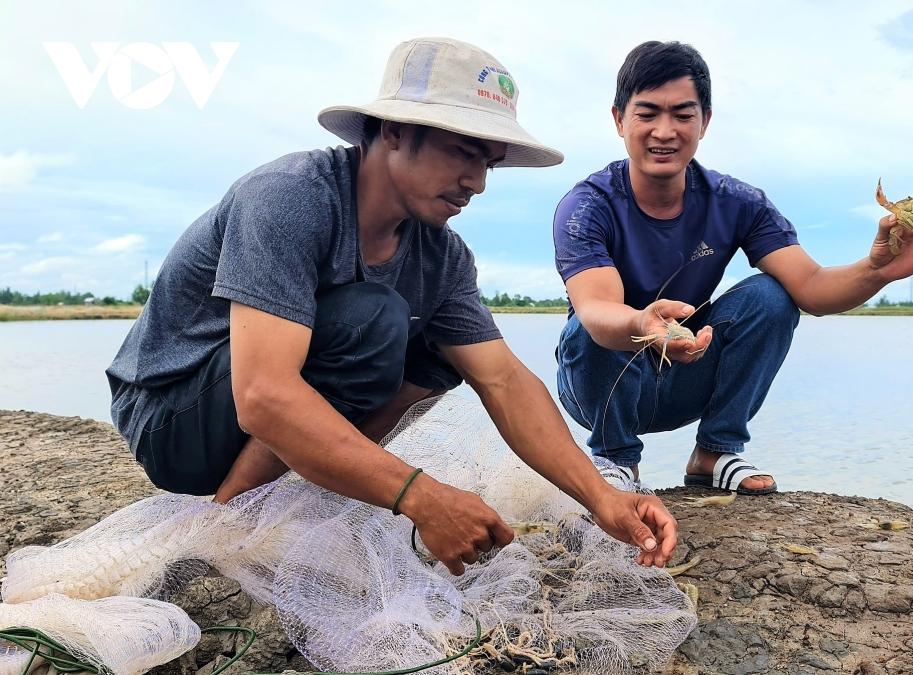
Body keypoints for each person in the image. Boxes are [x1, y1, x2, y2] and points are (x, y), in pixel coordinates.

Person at [105, 37, 677, 576]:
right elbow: (261, 397)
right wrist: (420, 496)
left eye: (490, 162)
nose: (476, 181)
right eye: (462, 151)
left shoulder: (442, 256)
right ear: (395, 132)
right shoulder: (290, 196)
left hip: (260, 420)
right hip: (172, 419)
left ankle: (299, 492)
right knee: (372, 319)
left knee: (438, 353)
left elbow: (503, 379)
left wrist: (604, 498)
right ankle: (231, 520)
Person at [553, 41, 913, 495]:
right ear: (619, 119)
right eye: (647, 113)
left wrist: (878, 270)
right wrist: (642, 323)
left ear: (704, 121)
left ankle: (715, 451)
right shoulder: (587, 206)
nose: (664, 131)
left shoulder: (738, 202)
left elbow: (812, 289)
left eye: (683, 115)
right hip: (604, 381)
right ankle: (615, 458)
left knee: (773, 295)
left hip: (690, 364)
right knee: (586, 329)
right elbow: (596, 310)